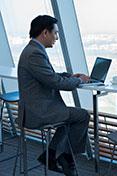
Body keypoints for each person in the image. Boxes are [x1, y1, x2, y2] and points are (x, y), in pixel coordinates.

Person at [17, 15, 90, 176]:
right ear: (45, 33)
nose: (56, 37)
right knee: (82, 115)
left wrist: (70, 76)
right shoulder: (34, 54)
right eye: (55, 33)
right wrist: (78, 82)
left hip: (35, 107)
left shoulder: (33, 50)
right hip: (38, 112)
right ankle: (66, 157)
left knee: (70, 117)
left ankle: (50, 155)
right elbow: (56, 83)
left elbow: (48, 75)